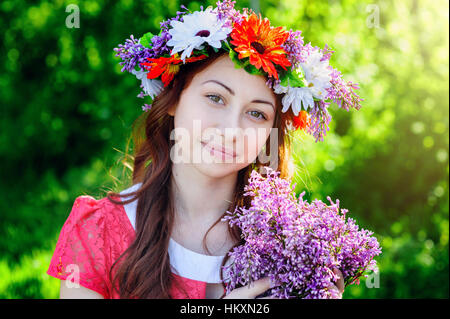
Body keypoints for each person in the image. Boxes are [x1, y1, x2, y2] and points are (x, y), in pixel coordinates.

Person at [47, 1, 358, 299]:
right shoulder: (97, 231)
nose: (230, 130)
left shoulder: (292, 249)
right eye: (215, 98)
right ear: (173, 99)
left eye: (256, 114)